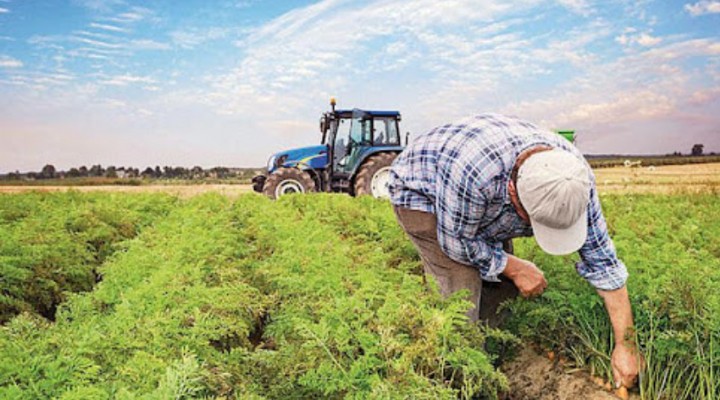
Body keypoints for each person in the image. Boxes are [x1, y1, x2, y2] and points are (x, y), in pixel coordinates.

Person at [388, 113, 640, 389]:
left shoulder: (573, 179)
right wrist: (517, 267)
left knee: (502, 286)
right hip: (423, 195)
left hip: (479, 199)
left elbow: (604, 264)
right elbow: (457, 243)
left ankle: (494, 360)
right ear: (513, 193)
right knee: (461, 297)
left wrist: (626, 346)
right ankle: (459, 379)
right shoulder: (474, 175)